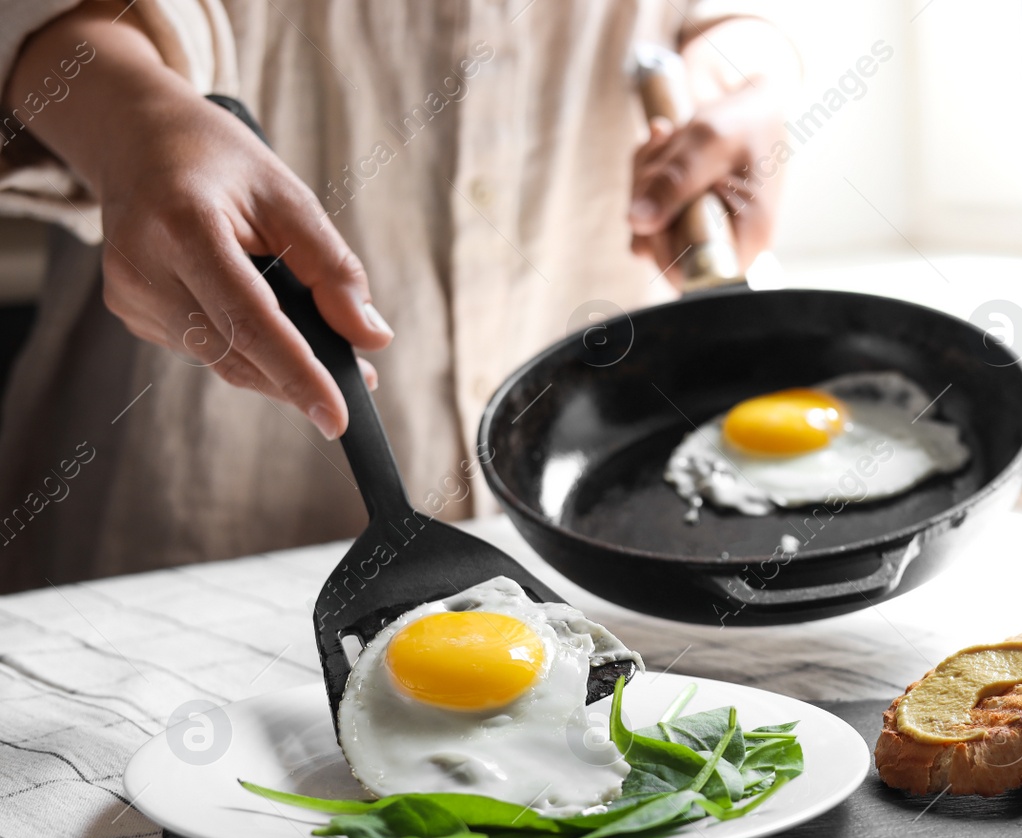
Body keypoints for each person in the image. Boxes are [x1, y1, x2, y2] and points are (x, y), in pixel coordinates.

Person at [0, 0, 797, 591]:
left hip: (599, 477)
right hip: (182, 515)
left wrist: (737, 71)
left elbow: (721, 15)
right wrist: (137, 124)